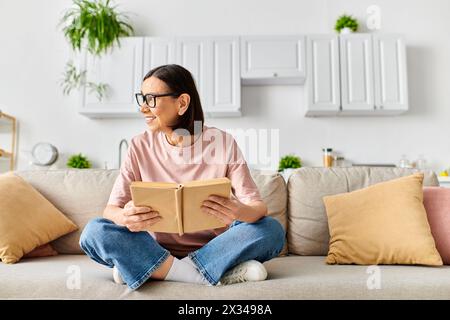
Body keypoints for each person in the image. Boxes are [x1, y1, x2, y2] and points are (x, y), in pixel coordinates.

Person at [79, 64, 285, 290]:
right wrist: (125, 217)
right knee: (94, 231)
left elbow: (257, 207)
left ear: (182, 103)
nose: (143, 108)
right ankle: (203, 273)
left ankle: (149, 269)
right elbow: (111, 210)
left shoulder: (223, 143)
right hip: (154, 246)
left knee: (271, 230)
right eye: (142, 99)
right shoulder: (139, 145)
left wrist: (238, 211)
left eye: (152, 99)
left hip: (216, 247)